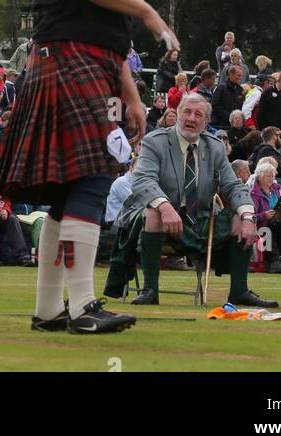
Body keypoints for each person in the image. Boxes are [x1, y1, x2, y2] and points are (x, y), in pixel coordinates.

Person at [0, 0, 177, 336]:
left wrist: (131, 94)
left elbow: (106, 30)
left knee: (69, 190)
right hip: (68, 60)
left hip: (92, 63)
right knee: (92, 175)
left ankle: (51, 308)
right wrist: (151, 14)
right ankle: (83, 306)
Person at [105, 93, 272, 307]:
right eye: (187, 112)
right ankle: (150, 290)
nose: (191, 118)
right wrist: (164, 206)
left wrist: (248, 216)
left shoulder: (216, 147)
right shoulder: (154, 142)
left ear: (206, 121)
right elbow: (143, 180)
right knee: (153, 213)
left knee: (241, 219)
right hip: (156, 214)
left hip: (200, 217)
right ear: (179, 113)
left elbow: (232, 185)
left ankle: (239, 291)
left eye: (198, 114)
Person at [251, 157, 281, 271]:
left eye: (273, 176)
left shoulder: (276, 190)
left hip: (276, 221)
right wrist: (264, 215)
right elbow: (252, 216)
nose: (272, 179)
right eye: (268, 176)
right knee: (266, 230)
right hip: (261, 224)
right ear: (260, 177)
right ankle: (274, 262)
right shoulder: (254, 194)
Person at [211, 64, 245, 129]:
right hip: (221, 125)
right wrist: (230, 117)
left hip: (234, 126)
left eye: (241, 76)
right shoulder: (221, 88)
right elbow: (214, 106)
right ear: (231, 75)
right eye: (238, 75)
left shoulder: (240, 89)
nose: (240, 78)